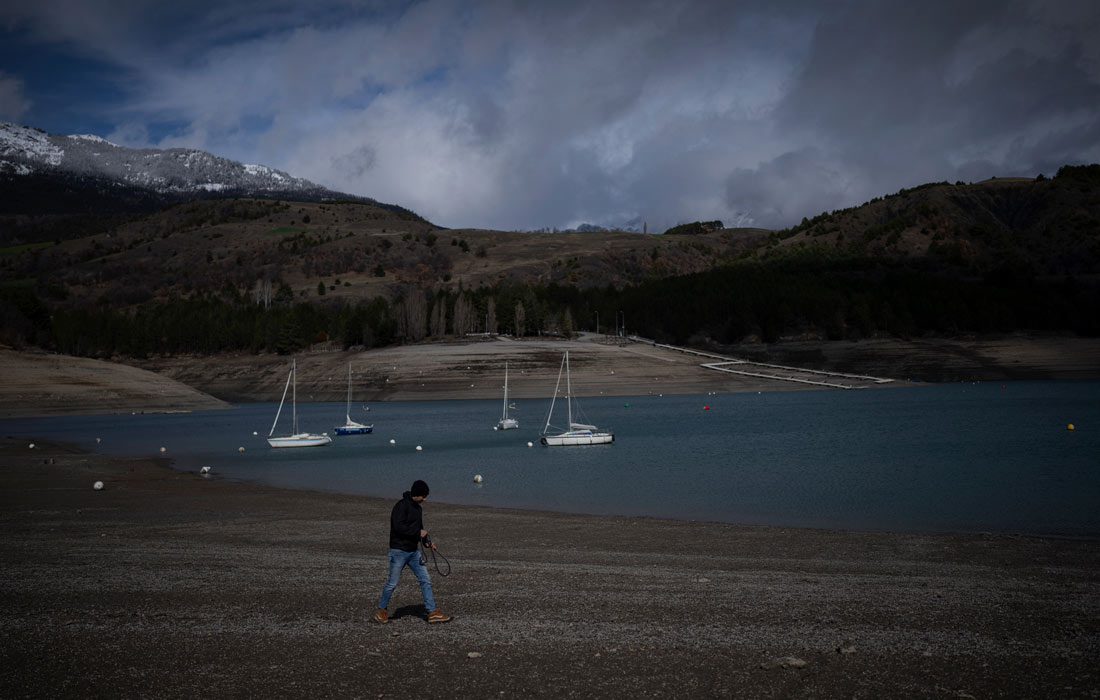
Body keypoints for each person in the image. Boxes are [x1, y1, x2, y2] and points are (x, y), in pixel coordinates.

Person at [374, 479, 452, 624]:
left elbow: (420, 529)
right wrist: (418, 533)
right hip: (398, 551)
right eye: (424, 496)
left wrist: (427, 542)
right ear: (416, 494)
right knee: (392, 583)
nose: (425, 499)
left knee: (425, 579)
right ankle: (381, 611)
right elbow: (398, 527)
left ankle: (432, 612)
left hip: (413, 552)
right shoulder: (401, 506)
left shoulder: (418, 509)